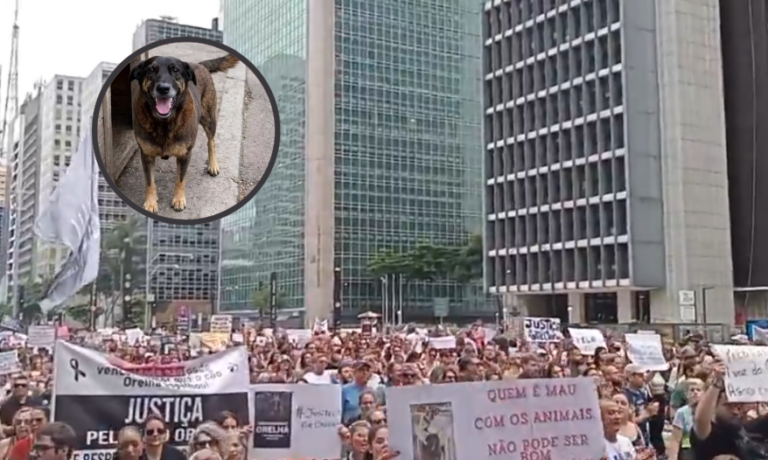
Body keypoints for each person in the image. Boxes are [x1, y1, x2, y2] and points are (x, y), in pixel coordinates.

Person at [691, 362, 768, 459]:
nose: (735, 411)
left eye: (738, 407)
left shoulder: (746, 429)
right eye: (728, 406)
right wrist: (717, 384)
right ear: (714, 406)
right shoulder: (708, 435)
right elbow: (700, 419)